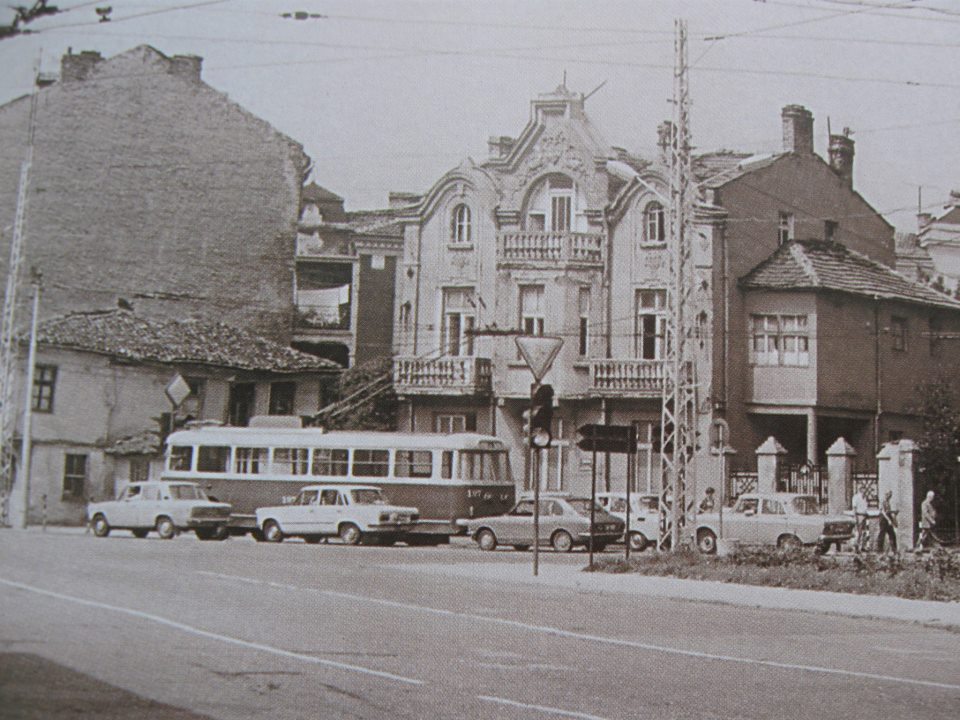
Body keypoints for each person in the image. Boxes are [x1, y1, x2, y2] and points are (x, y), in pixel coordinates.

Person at [877, 490, 898, 554]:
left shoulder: (888, 502)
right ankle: (879, 549)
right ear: (887, 494)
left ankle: (894, 549)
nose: (890, 497)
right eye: (889, 495)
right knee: (882, 534)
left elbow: (888, 511)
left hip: (888, 517)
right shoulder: (882, 501)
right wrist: (888, 520)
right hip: (883, 519)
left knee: (892, 534)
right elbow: (883, 512)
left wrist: (894, 514)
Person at [851, 487, 870, 553]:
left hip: (864, 515)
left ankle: (862, 546)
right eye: (863, 491)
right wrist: (855, 517)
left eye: (865, 491)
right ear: (860, 491)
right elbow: (854, 508)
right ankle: (856, 547)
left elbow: (865, 507)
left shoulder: (865, 498)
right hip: (859, 515)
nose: (864, 493)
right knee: (858, 532)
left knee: (864, 532)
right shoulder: (856, 497)